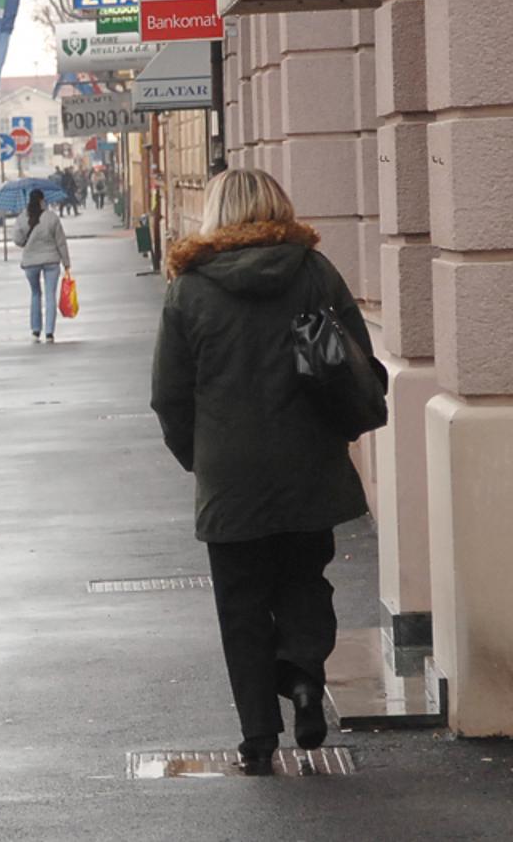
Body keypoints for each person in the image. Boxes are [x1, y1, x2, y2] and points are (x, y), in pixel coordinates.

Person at [150, 169, 381, 776]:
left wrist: (199, 459)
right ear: (279, 204)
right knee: (307, 580)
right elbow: (354, 364)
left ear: (216, 212)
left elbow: (169, 396)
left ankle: (257, 739)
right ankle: (303, 677)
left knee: (241, 605)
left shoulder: (189, 289)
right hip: (308, 463)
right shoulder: (312, 274)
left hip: (230, 476)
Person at [13, 188, 71, 343]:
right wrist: (66, 263)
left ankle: (35, 331)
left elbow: (18, 240)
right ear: (41, 200)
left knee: (35, 294)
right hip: (51, 261)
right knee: (50, 295)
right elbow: (61, 242)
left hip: (31, 262)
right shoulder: (52, 218)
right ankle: (50, 333)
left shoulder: (21, 219)